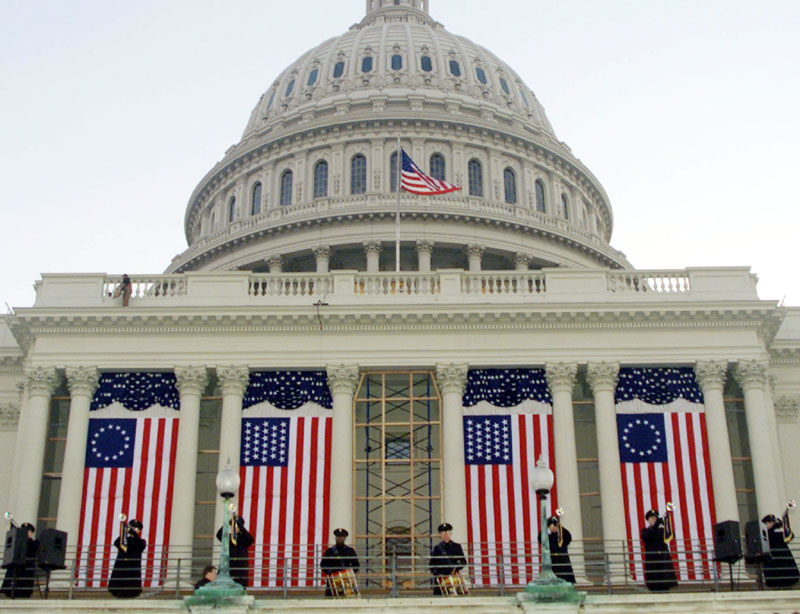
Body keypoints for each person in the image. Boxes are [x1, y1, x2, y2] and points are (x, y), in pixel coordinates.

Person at [641, 510, 678, 591]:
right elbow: (647, 536)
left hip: (662, 561)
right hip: (652, 561)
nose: (653, 520)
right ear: (648, 519)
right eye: (651, 518)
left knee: (665, 583)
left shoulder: (661, 531)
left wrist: (666, 524)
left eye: (655, 518)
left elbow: (671, 535)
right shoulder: (645, 531)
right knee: (654, 583)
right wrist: (655, 526)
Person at [108, 519, 146, 598]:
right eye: (132, 528)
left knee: (132, 587)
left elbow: (139, 546)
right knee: (118, 586)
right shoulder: (124, 540)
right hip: (121, 566)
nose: (134, 530)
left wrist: (134, 535)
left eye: (136, 529)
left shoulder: (141, 541)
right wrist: (124, 532)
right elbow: (116, 543)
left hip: (132, 567)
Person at [1, 523, 39, 599]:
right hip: (16, 569)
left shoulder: (33, 543)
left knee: (23, 588)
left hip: (26, 569)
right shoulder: (17, 541)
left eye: (28, 531)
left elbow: (32, 549)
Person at [761, 514, 800, 588]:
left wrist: (784, 525)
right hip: (773, 567)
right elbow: (769, 535)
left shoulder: (778, 535)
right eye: (769, 522)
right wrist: (775, 526)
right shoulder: (765, 535)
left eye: (772, 522)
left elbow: (790, 536)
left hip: (784, 566)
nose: (771, 524)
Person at [216, 514, 254, 588]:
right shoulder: (228, 538)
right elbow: (219, 535)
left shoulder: (244, 538)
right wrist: (227, 523)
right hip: (229, 566)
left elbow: (250, 539)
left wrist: (241, 527)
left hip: (240, 568)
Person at [320, 528, 360, 597]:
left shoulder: (350, 551)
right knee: (331, 598)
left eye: (342, 536)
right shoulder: (330, 551)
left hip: (346, 580)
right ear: (336, 537)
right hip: (333, 579)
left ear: (345, 538)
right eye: (338, 536)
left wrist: (348, 573)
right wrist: (331, 572)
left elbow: (356, 565)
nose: (340, 538)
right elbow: (323, 564)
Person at [430, 522, 467, 595]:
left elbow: (463, 561)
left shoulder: (457, 546)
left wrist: (456, 569)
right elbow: (432, 564)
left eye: (447, 532)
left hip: (454, 578)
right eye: (443, 532)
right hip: (441, 580)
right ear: (440, 534)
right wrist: (438, 573)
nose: (445, 534)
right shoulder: (437, 548)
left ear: (450, 533)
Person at [537, 515, 575, 584]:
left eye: (555, 526)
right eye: (552, 526)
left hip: (563, 560)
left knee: (566, 580)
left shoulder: (563, 534)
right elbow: (540, 539)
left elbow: (568, 538)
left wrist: (560, 528)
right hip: (551, 560)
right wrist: (547, 530)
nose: (554, 527)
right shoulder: (546, 535)